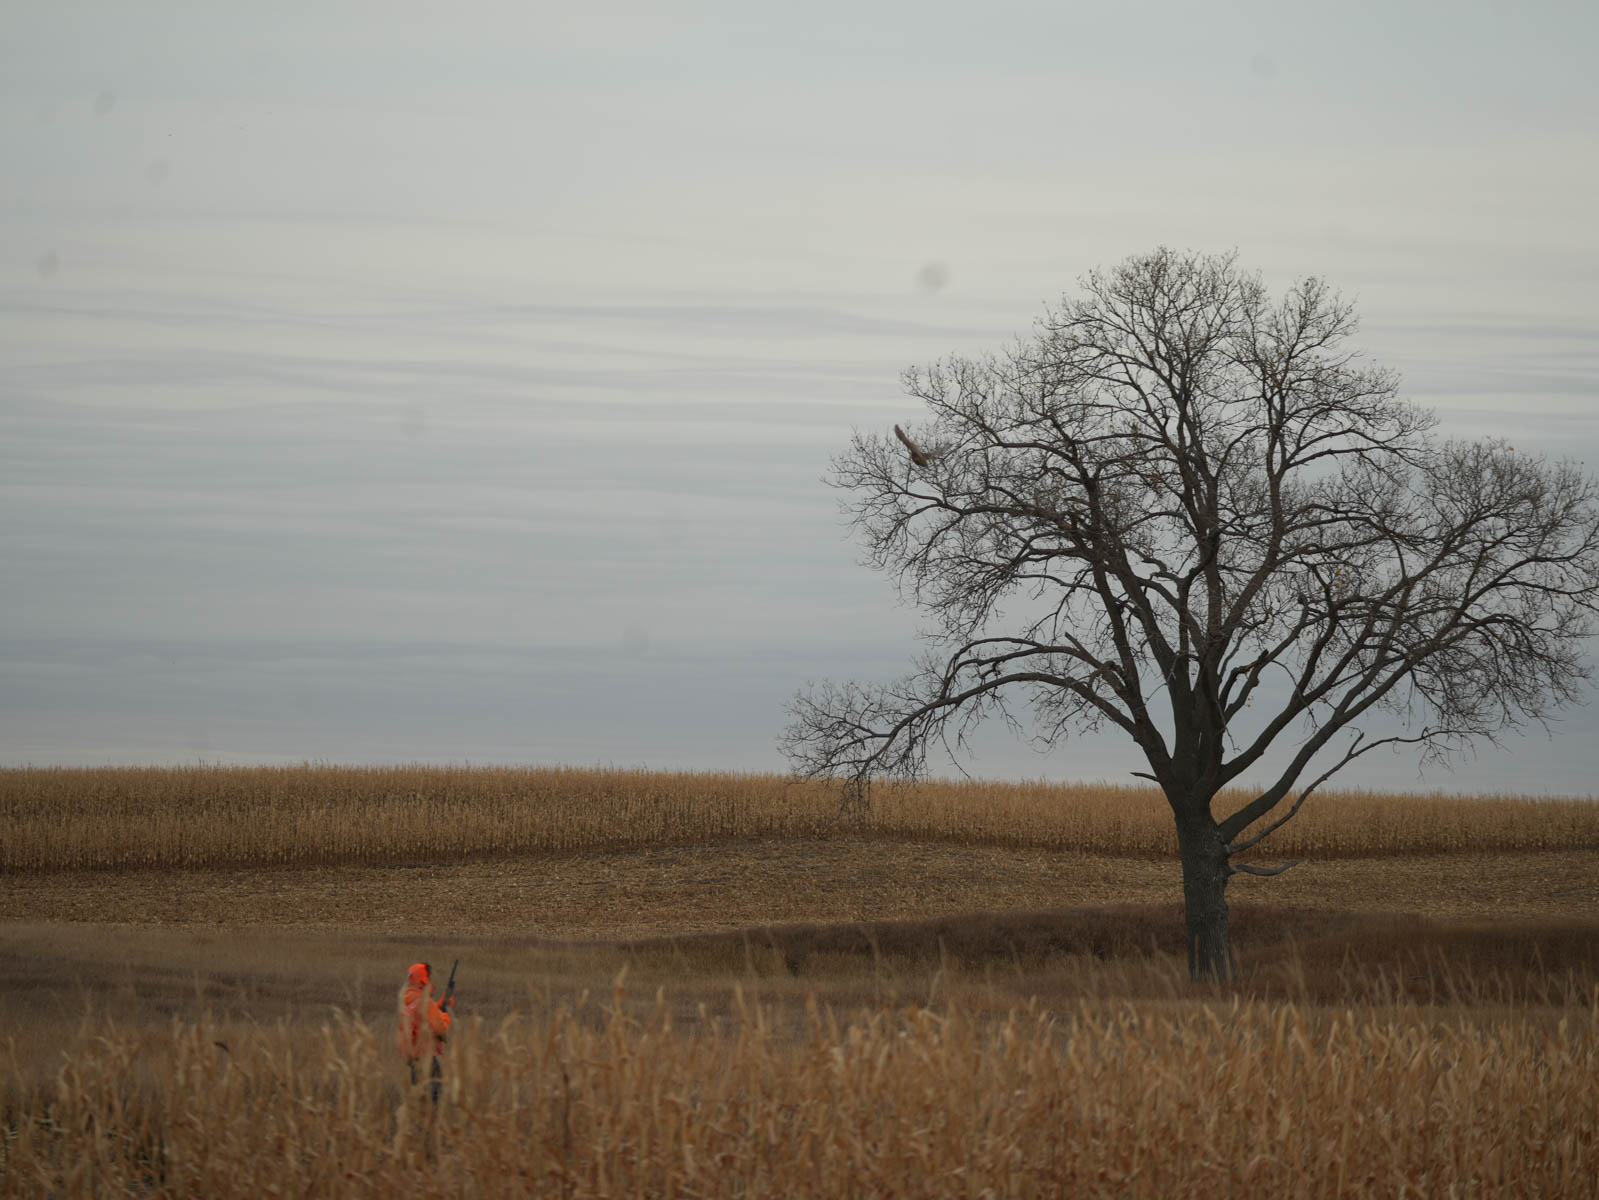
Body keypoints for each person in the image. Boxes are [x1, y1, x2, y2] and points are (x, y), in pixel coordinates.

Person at [398, 961, 454, 1101]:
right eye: (428, 976)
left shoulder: (409, 1001)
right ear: (423, 980)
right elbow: (440, 1029)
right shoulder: (425, 1003)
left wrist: (440, 1005)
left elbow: (422, 1017)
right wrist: (445, 1015)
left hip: (415, 1062)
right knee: (434, 1102)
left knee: (419, 1101)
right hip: (428, 1060)